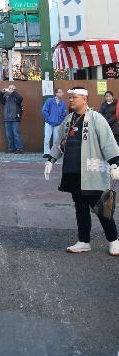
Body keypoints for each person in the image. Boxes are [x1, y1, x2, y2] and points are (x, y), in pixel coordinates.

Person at [45, 88, 119, 256]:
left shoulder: (95, 118)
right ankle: (84, 241)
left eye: (74, 97)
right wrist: (51, 159)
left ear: (84, 99)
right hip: (73, 171)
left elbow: (108, 141)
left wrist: (115, 163)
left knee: (101, 208)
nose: (70, 100)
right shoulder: (69, 119)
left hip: (92, 172)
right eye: (69, 97)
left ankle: (114, 240)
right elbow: (59, 142)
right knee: (80, 208)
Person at [0, 83, 24, 153]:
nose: (10, 90)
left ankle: (19, 149)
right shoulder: (6, 98)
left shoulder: (16, 97)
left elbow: (20, 98)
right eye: (9, 88)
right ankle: (11, 149)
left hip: (15, 118)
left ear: (15, 90)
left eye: (11, 88)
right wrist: (2, 92)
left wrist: (13, 92)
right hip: (7, 119)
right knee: (9, 135)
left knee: (16, 134)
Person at [42, 87, 67, 158]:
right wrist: (48, 119)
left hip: (58, 124)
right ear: (56, 93)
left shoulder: (62, 103)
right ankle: (46, 152)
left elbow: (64, 113)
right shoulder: (49, 101)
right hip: (48, 123)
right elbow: (44, 110)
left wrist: (60, 121)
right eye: (61, 92)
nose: (62, 93)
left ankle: (54, 153)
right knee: (47, 137)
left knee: (56, 139)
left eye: (62, 92)